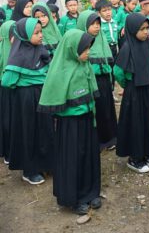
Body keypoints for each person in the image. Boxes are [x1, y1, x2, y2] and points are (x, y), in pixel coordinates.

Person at [38, 29, 101, 215]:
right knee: (73, 158)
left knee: (89, 156)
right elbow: (53, 98)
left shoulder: (85, 66)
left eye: (89, 47)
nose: (88, 52)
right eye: (85, 49)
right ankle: (74, 198)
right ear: (73, 49)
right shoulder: (60, 70)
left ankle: (91, 192)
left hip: (88, 119)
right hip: (70, 125)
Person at [2, 17, 54, 185]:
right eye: (36, 33)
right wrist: (25, 85)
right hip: (25, 100)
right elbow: (7, 81)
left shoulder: (42, 51)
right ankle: (30, 170)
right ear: (24, 35)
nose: (40, 36)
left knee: (45, 129)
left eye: (41, 32)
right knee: (29, 132)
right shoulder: (18, 56)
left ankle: (46, 163)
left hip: (42, 97)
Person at [114, 13, 149, 173]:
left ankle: (147, 151)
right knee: (136, 123)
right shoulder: (127, 47)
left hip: (146, 88)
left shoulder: (146, 44)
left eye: (147, 28)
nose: (146, 32)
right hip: (134, 91)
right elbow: (118, 71)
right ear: (133, 29)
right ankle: (134, 158)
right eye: (142, 29)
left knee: (148, 119)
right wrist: (128, 84)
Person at [76, 10, 117, 151]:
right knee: (95, 110)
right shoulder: (79, 42)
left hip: (104, 80)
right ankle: (97, 140)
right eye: (92, 24)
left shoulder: (101, 38)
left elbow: (108, 61)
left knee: (106, 108)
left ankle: (110, 137)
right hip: (89, 82)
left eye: (98, 23)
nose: (96, 27)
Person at [0, 20, 16, 164]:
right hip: (4, 91)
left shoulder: (19, 50)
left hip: (16, 90)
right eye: (13, 35)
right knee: (6, 121)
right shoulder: (2, 49)